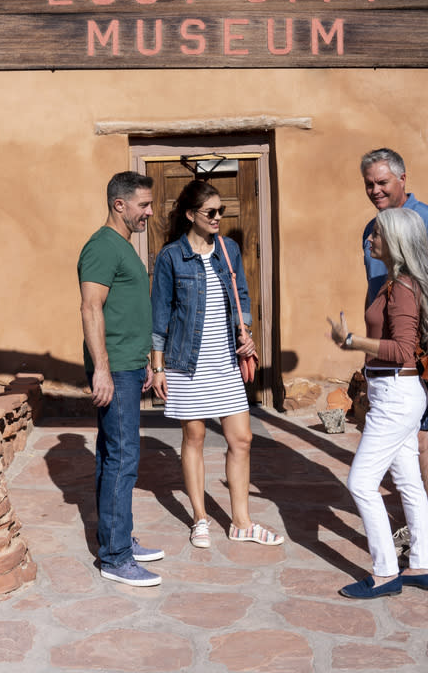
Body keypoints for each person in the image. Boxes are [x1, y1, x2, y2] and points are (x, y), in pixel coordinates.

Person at [328, 207, 428, 597]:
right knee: (407, 481)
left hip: (396, 394)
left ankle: (385, 572)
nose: (370, 241)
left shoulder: (402, 286)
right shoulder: (398, 281)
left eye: (377, 235)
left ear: (397, 241)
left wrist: (353, 342)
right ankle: (422, 565)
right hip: (394, 391)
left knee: (361, 482)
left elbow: (403, 350)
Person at [150, 180, 284, 549]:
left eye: (221, 211)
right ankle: (200, 517)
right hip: (186, 362)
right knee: (193, 438)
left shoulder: (229, 250)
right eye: (211, 212)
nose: (218, 218)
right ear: (191, 215)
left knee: (241, 439)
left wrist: (247, 333)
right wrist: (157, 366)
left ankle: (241, 522)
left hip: (225, 359)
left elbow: (241, 295)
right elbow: (159, 315)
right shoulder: (171, 257)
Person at [360, 148, 428, 561]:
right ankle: (421, 543)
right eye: (369, 183)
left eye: (382, 182)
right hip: (385, 359)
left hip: (418, 357)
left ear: (403, 179)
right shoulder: (374, 229)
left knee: (422, 442)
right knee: (406, 450)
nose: (375, 190)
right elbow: (376, 296)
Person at [79, 171, 165, 587]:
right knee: (122, 457)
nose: (150, 212)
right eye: (143, 205)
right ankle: (115, 557)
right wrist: (102, 369)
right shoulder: (101, 247)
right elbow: (91, 308)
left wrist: (143, 358)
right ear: (120, 205)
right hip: (114, 369)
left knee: (113, 453)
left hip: (128, 365)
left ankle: (117, 540)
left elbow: (125, 310)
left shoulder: (123, 247)